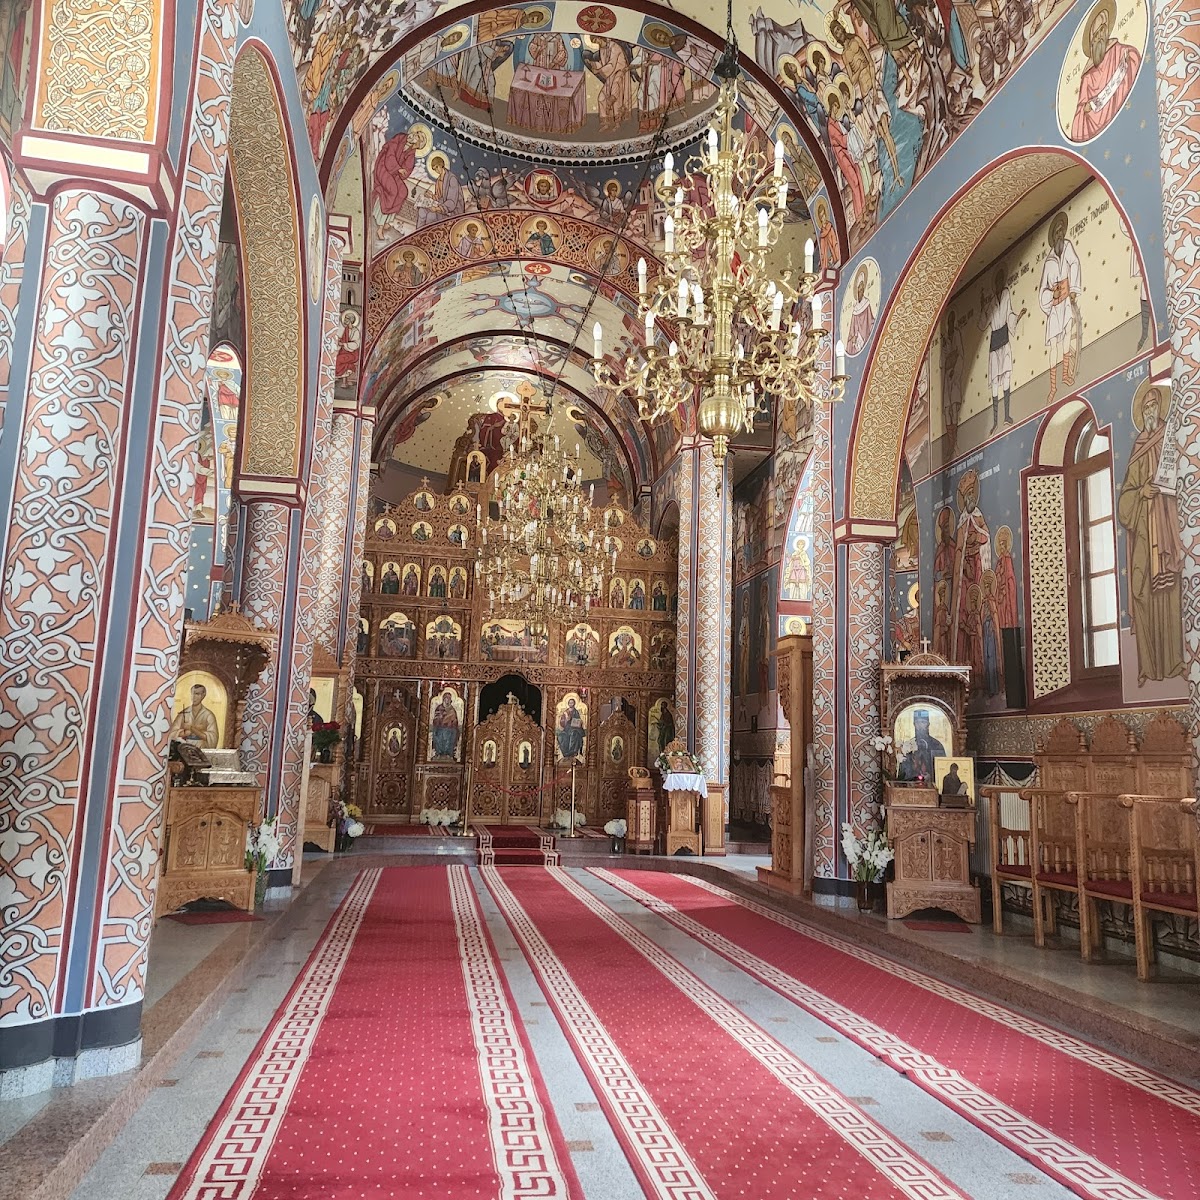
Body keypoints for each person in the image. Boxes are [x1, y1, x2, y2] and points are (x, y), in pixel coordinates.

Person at [1117, 386, 1186, 684]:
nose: (1149, 411)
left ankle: (1173, 665)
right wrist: (1142, 492)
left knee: (1169, 590)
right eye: (1144, 408)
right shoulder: (1138, 447)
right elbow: (1125, 498)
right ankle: (1146, 666)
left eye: (1153, 406)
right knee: (1140, 590)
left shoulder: (1170, 443)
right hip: (1144, 532)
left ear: (1160, 408)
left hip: (1167, 529)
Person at [1070, 0, 1142, 142]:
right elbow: (1081, 108)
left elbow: (1134, 58)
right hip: (1094, 120)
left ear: (1107, 30)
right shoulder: (1087, 76)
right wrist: (1086, 107)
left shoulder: (1120, 51)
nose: (1099, 37)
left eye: (1101, 31)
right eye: (1095, 35)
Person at [1038, 211, 1082, 401]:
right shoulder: (1048, 262)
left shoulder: (1068, 248)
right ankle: (1053, 386)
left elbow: (1075, 263)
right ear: (1053, 237)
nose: (1060, 235)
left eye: (1061, 231)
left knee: (1066, 338)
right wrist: (1051, 295)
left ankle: (1065, 374)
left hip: (1065, 300)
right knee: (1054, 343)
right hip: (1055, 307)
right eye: (1056, 233)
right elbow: (1042, 290)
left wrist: (1073, 289)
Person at [977, 265, 1027, 431]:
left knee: (1006, 375)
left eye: (1001, 280)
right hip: (994, 344)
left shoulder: (1006, 294)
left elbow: (1009, 314)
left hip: (1004, 340)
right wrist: (982, 307)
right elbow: (982, 325)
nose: (999, 284)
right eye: (997, 282)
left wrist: (1018, 317)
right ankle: (995, 421)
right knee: (995, 381)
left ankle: (1006, 416)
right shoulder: (991, 302)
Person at [897, 709, 945, 781]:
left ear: (928, 724)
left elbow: (942, 769)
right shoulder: (907, 746)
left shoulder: (937, 745)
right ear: (914, 724)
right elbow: (903, 771)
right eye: (917, 723)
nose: (920, 726)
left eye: (923, 722)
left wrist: (932, 777)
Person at [171, 684, 221, 749]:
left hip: (202, 749)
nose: (193, 697)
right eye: (192, 694)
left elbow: (213, 737)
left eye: (197, 694)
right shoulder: (183, 713)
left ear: (203, 695)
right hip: (184, 748)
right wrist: (183, 733)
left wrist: (193, 729)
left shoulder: (208, 715)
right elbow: (172, 733)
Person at [430, 691, 460, 759]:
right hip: (440, 728)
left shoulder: (452, 709)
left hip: (450, 729)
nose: (447, 700)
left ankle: (449, 753)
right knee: (439, 735)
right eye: (446, 699)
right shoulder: (439, 708)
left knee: (453, 734)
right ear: (443, 699)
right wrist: (441, 718)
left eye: (449, 699)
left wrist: (451, 721)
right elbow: (436, 719)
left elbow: (455, 720)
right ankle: (439, 753)